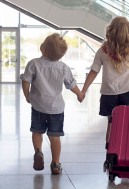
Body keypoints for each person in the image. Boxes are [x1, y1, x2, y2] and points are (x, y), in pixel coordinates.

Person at [20, 33, 84, 175]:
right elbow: (71, 84)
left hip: (38, 106)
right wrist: (80, 94)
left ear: (43, 50)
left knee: (37, 131)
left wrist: (27, 94)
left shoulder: (34, 63)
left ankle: (38, 151)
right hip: (56, 109)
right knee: (55, 137)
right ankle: (55, 164)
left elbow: (26, 80)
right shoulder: (63, 67)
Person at [81, 16, 129, 144]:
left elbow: (94, 71)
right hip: (128, 92)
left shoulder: (102, 51)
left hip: (109, 93)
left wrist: (83, 90)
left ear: (111, 32)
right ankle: (127, 148)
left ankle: (110, 150)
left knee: (111, 122)